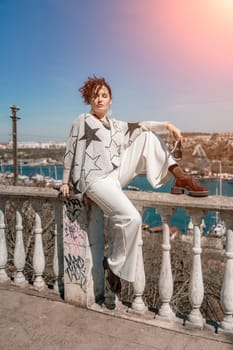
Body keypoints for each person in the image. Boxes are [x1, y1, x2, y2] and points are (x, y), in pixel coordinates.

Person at [60, 76, 208, 293]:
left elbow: (143, 125)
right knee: (131, 218)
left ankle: (180, 176)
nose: (99, 99)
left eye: (104, 95)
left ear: (110, 99)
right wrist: (65, 181)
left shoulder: (116, 125)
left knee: (146, 135)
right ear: (89, 99)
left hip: (115, 174)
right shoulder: (81, 121)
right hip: (95, 180)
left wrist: (167, 124)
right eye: (95, 96)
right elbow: (70, 151)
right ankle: (113, 266)